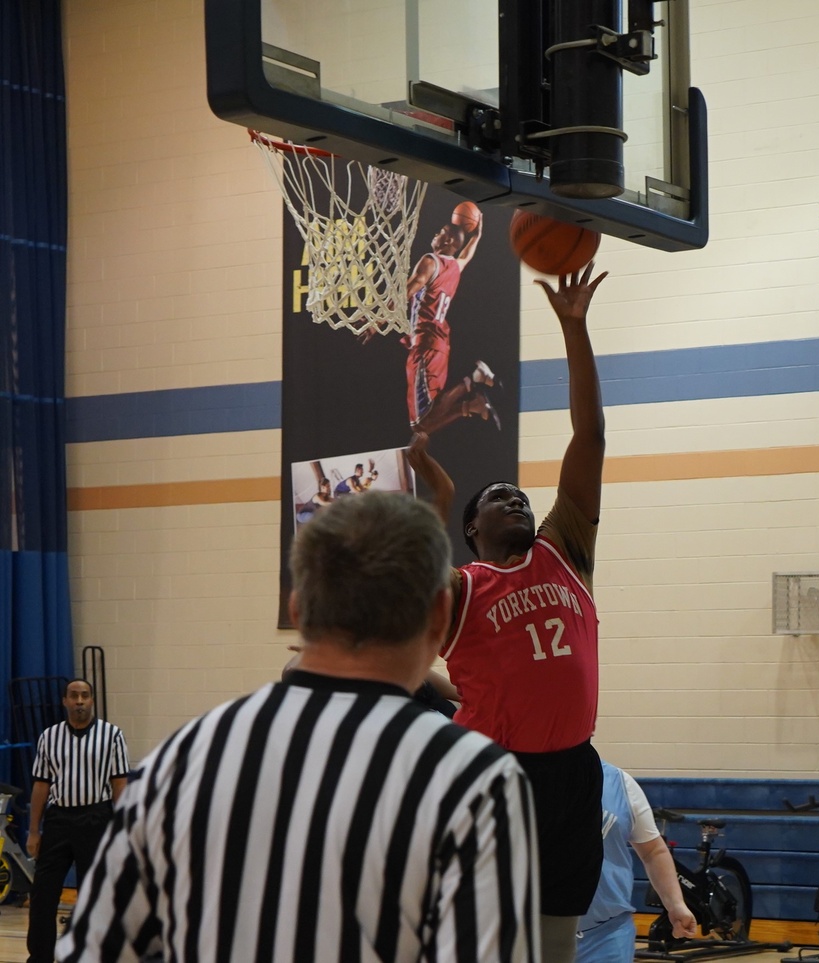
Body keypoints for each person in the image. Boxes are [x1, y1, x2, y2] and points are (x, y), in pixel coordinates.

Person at [58, 492, 540, 963]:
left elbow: (93, 949)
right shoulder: (476, 780)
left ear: (297, 610)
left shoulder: (178, 759)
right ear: (440, 616)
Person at [406, 263, 608, 963]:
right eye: (499, 498)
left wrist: (573, 329)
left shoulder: (566, 551)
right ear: (472, 528)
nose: (517, 498)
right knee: (491, 934)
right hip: (498, 770)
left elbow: (590, 441)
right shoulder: (463, 585)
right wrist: (437, 489)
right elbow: (417, 565)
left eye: (522, 494)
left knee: (557, 938)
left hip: (574, 769)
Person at [26, 678, 129, 963]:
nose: (80, 701)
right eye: (74, 696)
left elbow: (119, 783)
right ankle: (40, 957)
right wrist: (34, 831)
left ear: (92, 700)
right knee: (43, 893)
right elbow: (40, 785)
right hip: (58, 820)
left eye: (85, 695)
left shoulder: (112, 735)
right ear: (65, 701)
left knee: (95, 896)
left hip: (97, 818)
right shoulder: (49, 736)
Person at [576, 760, 697, 962]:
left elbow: (653, 851)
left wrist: (675, 903)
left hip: (606, 935)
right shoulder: (519, 778)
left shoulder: (619, 782)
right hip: (534, 931)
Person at [401, 211, 501, 435]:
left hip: (425, 342)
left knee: (420, 424)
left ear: (447, 241)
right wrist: (477, 236)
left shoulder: (430, 261)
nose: (436, 235)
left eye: (440, 233)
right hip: (440, 343)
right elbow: (466, 256)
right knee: (427, 417)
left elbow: (406, 292)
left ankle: (473, 378)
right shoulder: (455, 267)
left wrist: (376, 318)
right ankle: (472, 403)